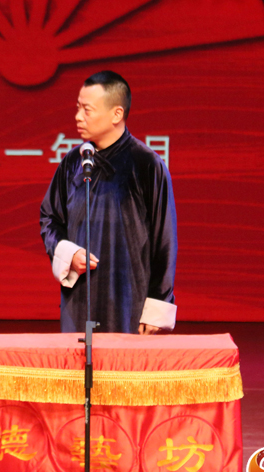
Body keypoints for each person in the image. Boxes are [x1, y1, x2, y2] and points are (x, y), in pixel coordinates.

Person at [40, 70, 177, 334]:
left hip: (129, 304)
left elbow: (165, 241)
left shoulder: (146, 163)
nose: (78, 116)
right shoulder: (73, 163)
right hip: (79, 301)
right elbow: (50, 218)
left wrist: (157, 304)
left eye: (87, 110)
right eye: (78, 107)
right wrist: (68, 252)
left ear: (116, 114)